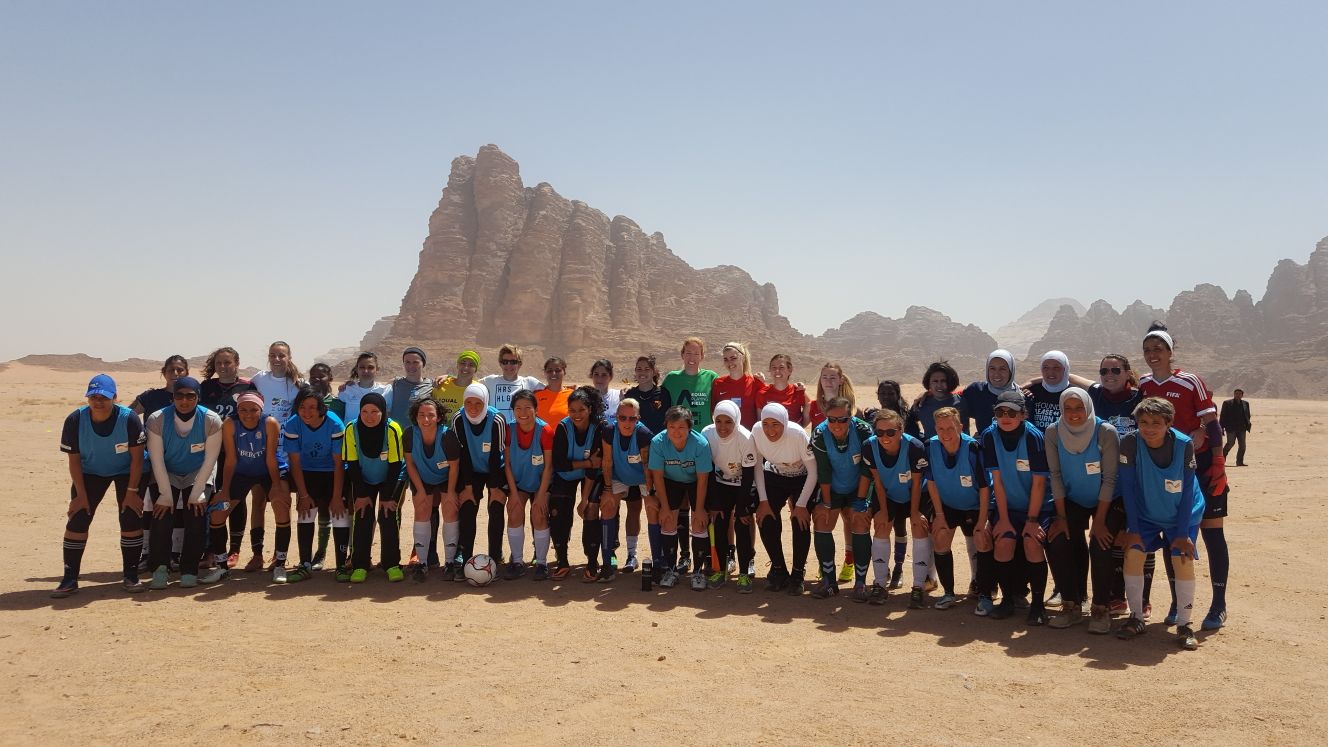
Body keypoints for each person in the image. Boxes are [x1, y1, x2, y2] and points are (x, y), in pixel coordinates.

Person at [1139, 322, 1229, 632]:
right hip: (1167, 472)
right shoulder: (1145, 385)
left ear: (1170, 352)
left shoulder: (1191, 382)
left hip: (1202, 467)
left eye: (1158, 349)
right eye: (1148, 350)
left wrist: (1218, 463)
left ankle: (1218, 604)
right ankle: (1179, 603)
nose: (1153, 355)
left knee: (1211, 532)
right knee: (1171, 533)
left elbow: (1212, 424)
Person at [1115, 397, 1206, 650]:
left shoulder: (1184, 444)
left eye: (1156, 423)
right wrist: (1133, 529)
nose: (1149, 428)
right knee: (1133, 553)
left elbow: (1187, 488)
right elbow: (1129, 488)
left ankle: (1185, 624)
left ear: (1168, 423)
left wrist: (1181, 532)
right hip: (1146, 512)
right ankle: (1136, 617)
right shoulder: (1130, 443)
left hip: (1183, 511)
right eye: (1143, 422)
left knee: (1182, 556)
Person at [52, 374, 147, 597]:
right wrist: (80, 495)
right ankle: (69, 578)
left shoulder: (129, 418)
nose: (98, 401)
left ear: (114, 397)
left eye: (103, 397)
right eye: (93, 396)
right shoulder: (75, 420)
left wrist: (132, 492)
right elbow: (74, 460)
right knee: (78, 517)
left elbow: (137, 459)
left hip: (127, 472)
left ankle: (130, 576)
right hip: (90, 472)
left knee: (130, 516)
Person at [1043, 388, 1120, 632]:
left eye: (1079, 408)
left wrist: (1099, 521)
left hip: (1105, 500)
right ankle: (1072, 605)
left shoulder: (1105, 432)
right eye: (1068, 408)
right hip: (1072, 499)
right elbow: (1055, 476)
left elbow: (1110, 479)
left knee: (1101, 544)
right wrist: (1061, 517)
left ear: (1087, 407)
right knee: (1058, 540)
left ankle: (1100, 609)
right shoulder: (1054, 432)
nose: (1074, 413)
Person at [143, 376, 224, 589]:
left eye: (191, 396)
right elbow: (157, 458)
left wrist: (198, 492)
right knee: (161, 516)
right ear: (173, 397)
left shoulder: (211, 420)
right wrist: (165, 494)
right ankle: (160, 568)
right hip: (166, 471)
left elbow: (210, 459)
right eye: (179, 395)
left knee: (196, 516)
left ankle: (189, 569)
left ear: (198, 397)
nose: (185, 401)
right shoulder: (157, 419)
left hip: (198, 471)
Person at [203, 391, 288, 584]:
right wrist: (224, 490)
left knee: (281, 505)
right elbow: (231, 460)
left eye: (253, 410)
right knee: (217, 513)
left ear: (261, 409)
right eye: (243, 409)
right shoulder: (230, 424)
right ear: (237, 410)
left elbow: (270, 458)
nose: (248, 414)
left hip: (268, 470)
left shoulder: (270, 423)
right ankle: (222, 567)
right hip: (241, 473)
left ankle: (280, 565)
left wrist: (276, 486)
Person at [1085, 353, 1147, 617]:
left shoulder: (1140, 399)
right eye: (1104, 371)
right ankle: (1114, 597)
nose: (1109, 375)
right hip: (1107, 485)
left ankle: (1141, 601)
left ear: (1127, 372)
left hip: (1137, 483)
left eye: (1115, 370)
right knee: (1109, 538)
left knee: (1137, 538)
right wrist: (1033, 380)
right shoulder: (1096, 396)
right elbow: (1073, 379)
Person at [981, 390, 1051, 623]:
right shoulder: (989, 436)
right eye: (1000, 412)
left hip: (1037, 507)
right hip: (1008, 506)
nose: (1005, 416)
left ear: (1023, 414)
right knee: (1004, 541)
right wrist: (1003, 518)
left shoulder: (1033, 437)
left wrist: (1032, 521)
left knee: (1032, 543)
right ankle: (1008, 600)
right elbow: (997, 482)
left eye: (1011, 411)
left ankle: (1038, 606)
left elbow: (1040, 484)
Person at [919, 406, 989, 611]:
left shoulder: (973, 448)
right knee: (940, 536)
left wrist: (983, 520)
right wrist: (939, 515)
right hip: (949, 505)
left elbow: (985, 487)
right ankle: (948, 593)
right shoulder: (930, 446)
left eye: (950, 428)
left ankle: (984, 594)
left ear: (960, 426)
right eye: (940, 429)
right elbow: (931, 482)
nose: (946, 433)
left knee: (982, 540)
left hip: (975, 505)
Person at [660, 337, 719, 574]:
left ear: (702, 356)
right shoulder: (672, 379)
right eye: (688, 352)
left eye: (696, 353)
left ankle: (706, 556)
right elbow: (660, 405)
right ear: (682, 355)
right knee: (681, 504)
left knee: (701, 503)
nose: (692, 357)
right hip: (678, 445)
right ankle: (684, 555)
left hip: (703, 445)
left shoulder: (711, 378)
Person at [806, 397, 873, 600]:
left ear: (850, 416)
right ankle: (829, 581)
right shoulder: (819, 433)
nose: (836, 424)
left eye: (842, 420)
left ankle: (860, 583)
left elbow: (866, 468)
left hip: (859, 485)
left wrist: (860, 500)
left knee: (860, 520)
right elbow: (823, 471)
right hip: (832, 486)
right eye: (831, 419)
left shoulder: (864, 431)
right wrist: (826, 502)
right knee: (822, 518)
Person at [277, 387, 346, 583]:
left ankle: (341, 566)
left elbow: (339, 463)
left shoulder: (333, 423)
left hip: (333, 472)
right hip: (307, 473)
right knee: (305, 512)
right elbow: (295, 462)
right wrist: (303, 495)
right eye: (302, 407)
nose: (307, 412)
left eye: (312, 408)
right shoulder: (293, 424)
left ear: (321, 409)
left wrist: (336, 495)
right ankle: (305, 564)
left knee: (339, 514)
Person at [247, 341, 304, 573]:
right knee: (258, 502)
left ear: (289, 357)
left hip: (289, 452)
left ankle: (280, 557)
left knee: (283, 502)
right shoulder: (259, 379)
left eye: (281, 355)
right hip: (261, 451)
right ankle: (257, 554)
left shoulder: (299, 384)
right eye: (273, 355)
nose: (277, 359)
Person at [129, 354, 188, 572]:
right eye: (171, 370)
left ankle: (175, 553)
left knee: (179, 507)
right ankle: (146, 553)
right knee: (149, 507)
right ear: (163, 373)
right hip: (151, 461)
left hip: (181, 461)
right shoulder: (150, 397)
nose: (176, 374)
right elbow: (127, 416)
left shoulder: (190, 396)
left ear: (186, 373)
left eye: (180, 370)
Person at [861, 408, 927, 602]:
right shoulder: (869, 446)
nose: (885, 437)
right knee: (881, 525)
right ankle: (880, 584)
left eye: (891, 432)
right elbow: (878, 481)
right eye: (880, 432)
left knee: (919, 526)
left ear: (901, 430)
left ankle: (918, 587)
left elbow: (916, 483)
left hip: (915, 495)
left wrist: (915, 512)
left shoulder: (914, 446)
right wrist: (882, 510)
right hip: (889, 495)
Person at [751, 403, 818, 594]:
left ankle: (797, 574)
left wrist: (802, 504)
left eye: (776, 424)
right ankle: (778, 569)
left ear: (785, 423)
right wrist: (763, 502)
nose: (770, 430)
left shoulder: (797, 435)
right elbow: (757, 466)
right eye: (766, 424)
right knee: (766, 517)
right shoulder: (757, 431)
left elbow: (813, 471)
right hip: (775, 475)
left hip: (802, 478)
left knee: (801, 520)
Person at [445, 383, 511, 576]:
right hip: (470, 470)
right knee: (467, 507)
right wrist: (466, 487)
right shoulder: (458, 419)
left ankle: (495, 555)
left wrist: (495, 487)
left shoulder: (497, 419)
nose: (473, 408)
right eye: (468, 403)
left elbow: (495, 455)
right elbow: (462, 454)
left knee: (496, 507)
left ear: (486, 402)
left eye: (478, 403)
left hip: (493, 470)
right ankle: (465, 557)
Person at [199, 347, 255, 569]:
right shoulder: (206, 387)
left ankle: (235, 549)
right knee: (210, 498)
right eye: (219, 363)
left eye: (227, 363)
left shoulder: (248, 387)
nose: (222, 367)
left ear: (237, 363)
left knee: (235, 498)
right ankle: (211, 549)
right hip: (210, 452)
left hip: (237, 451)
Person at [342, 392, 405, 583]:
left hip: (391, 478)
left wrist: (387, 496)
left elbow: (395, 465)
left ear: (383, 412)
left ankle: (391, 564)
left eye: (375, 411)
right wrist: (361, 494)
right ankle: (360, 564)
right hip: (364, 477)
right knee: (362, 516)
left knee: (387, 516)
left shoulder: (392, 428)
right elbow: (351, 463)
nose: (369, 416)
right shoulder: (351, 429)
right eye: (364, 411)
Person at [647, 406, 712, 590]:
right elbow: (657, 477)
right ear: (666, 426)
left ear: (689, 428)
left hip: (694, 481)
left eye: (681, 427)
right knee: (668, 521)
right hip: (671, 480)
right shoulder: (658, 442)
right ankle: (671, 570)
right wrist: (665, 508)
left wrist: (699, 509)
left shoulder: (700, 444)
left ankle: (698, 572)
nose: (676, 432)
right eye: (672, 427)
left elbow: (702, 479)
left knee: (699, 522)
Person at [546, 386, 603, 579]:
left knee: (591, 510)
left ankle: (592, 561)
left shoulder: (598, 427)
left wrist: (585, 499)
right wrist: (586, 462)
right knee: (558, 509)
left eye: (581, 410)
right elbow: (560, 465)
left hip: (590, 475)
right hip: (567, 475)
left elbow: (595, 468)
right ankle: (562, 561)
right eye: (572, 410)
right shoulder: (563, 427)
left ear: (590, 409)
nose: (576, 415)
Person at [701, 400, 757, 590]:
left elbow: (749, 474)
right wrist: (714, 503)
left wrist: (742, 506)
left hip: (744, 484)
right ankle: (721, 571)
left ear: (736, 421)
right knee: (719, 525)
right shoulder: (707, 434)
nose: (722, 427)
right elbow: (707, 469)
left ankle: (744, 574)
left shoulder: (745, 437)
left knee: (742, 526)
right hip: (720, 483)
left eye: (728, 422)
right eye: (719, 421)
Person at [403, 397, 460, 582]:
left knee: (450, 509)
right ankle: (422, 563)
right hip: (423, 478)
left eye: (430, 415)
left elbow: (454, 466)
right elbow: (410, 464)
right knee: (422, 508)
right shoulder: (410, 434)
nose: (426, 419)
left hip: (446, 478)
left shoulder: (447, 436)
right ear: (416, 417)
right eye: (421, 415)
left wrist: (450, 492)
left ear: (438, 417)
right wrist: (419, 490)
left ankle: (450, 562)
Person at [503, 390, 553, 579]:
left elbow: (548, 467)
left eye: (527, 408)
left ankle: (541, 563)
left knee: (539, 514)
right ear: (513, 411)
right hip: (519, 482)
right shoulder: (509, 430)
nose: (523, 412)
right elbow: (507, 464)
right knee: (514, 510)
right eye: (518, 408)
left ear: (536, 409)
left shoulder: (545, 430)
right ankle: (517, 561)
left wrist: (541, 496)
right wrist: (514, 494)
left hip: (541, 482)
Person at [602, 397, 653, 579]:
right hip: (619, 476)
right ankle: (607, 562)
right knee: (607, 507)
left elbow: (647, 466)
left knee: (650, 509)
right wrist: (608, 489)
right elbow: (607, 462)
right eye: (623, 418)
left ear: (638, 418)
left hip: (641, 477)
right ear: (616, 417)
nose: (627, 422)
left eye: (632, 418)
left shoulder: (643, 434)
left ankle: (638, 557)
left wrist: (650, 493)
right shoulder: (609, 431)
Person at [303, 363, 339, 567]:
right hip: (310, 464)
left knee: (330, 509)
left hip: (333, 464)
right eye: (313, 377)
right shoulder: (303, 404)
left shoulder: (338, 403)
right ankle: (314, 554)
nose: (317, 380)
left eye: (321, 376)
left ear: (330, 377)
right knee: (312, 508)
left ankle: (330, 553)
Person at [960, 350, 1024, 436]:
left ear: (1011, 371)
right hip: (985, 447)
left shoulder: (1022, 396)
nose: (996, 374)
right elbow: (954, 403)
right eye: (992, 368)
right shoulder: (976, 391)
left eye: (1002, 369)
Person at [480, 344, 541, 423]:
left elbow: (553, 390)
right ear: (500, 364)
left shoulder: (530, 382)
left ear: (519, 364)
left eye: (513, 362)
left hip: (518, 432)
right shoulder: (490, 381)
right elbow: (470, 384)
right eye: (505, 362)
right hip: (496, 432)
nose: (509, 365)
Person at [710, 342, 765, 429]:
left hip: (749, 438)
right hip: (725, 437)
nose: (730, 363)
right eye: (726, 359)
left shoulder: (756, 383)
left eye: (733, 358)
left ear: (742, 358)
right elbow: (714, 412)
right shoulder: (718, 383)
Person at [906, 360, 967, 439]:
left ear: (950, 382)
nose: (939, 385)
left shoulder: (962, 403)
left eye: (943, 381)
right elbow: (908, 420)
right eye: (935, 381)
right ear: (929, 383)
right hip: (931, 450)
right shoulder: (921, 404)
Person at [339, 352, 393, 426]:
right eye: (362, 367)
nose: (366, 371)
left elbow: (388, 415)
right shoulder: (346, 390)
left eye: (370, 367)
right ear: (357, 369)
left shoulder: (386, 391)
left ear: (377, 369)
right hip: (352, 436)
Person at [756, 354, 809, 427]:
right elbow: (760, 421)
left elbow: (808, 406)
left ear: (789, 370)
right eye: (773, 367)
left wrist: (800, 427)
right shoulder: (762, 393)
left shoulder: (798, 391)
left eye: (781, 367)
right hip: (771, 436)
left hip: (793, 436)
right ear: (770, 370)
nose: (777, 371)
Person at [624, 355, 671, 435]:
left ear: (653, 372)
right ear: (635, 371)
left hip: (657, 443)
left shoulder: (663, 394)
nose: (642, 372)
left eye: (647, 369)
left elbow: (668, 420)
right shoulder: (630, 394)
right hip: (636, 442)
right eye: (639, 369)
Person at [1026, 351, 1072, 431]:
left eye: (1056, 367)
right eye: (1046, 367)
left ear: (1065, 369)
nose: (1051, 372)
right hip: (1035, 441)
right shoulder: (1031, 391)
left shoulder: (1073, 393)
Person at [389, 347, 435, 424]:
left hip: (420, 434)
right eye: (407, 362)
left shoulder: (432, 385)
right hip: (396, 434)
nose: (411, 366)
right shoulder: (394, 383)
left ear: (423, 364)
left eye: (415, 362)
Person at [432, 350, 481, 420]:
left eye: (471, 365)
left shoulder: (478, 389)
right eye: (463, 363)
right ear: (457, 365)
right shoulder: (441, 384)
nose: (466, 367)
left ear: (475, 369)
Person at [533, 356, 574, 425]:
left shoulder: (573, 395)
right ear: (545, 373)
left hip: (565, 435)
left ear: (564, 372)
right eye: (549, 371)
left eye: (558, 370)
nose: (553, 373)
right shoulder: (536, 396)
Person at [1219, 389, 1252, 466]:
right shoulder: (1227, 403)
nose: (1237, 395)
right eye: (1236, 393)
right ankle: (1221, 460)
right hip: (1231, 428)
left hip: (1242, 428)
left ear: (1242, 395)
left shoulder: (1245, 403)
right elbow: (1223, 415)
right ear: (1234, 394)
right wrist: (1221, 427)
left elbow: (1247, 415)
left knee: (1242, 445)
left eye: (1239, 394)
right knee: (1230, 443)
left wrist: (1247, 424)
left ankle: (1239, 462)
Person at [589, 358, 622, 425]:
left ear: (610, 377)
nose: (599, 378)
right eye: (596, 374)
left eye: (604, 375)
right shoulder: (586, 397)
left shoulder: (619, 396)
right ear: (592, 375)